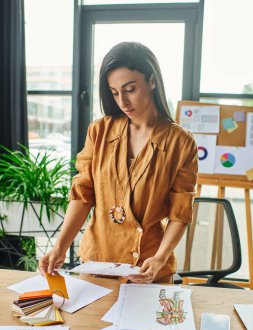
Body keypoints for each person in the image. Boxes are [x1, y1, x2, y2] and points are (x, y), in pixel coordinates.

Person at [39, 41, 198, 284]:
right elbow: (83, 194)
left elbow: (180, 212)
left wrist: (159, 258)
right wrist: (60, 245)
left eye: (130, 89)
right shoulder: (99, 131)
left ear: (152, 81)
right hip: (98, 262)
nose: (122, 101)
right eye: (114, 92)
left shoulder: (181, 143)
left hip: (148, 266)